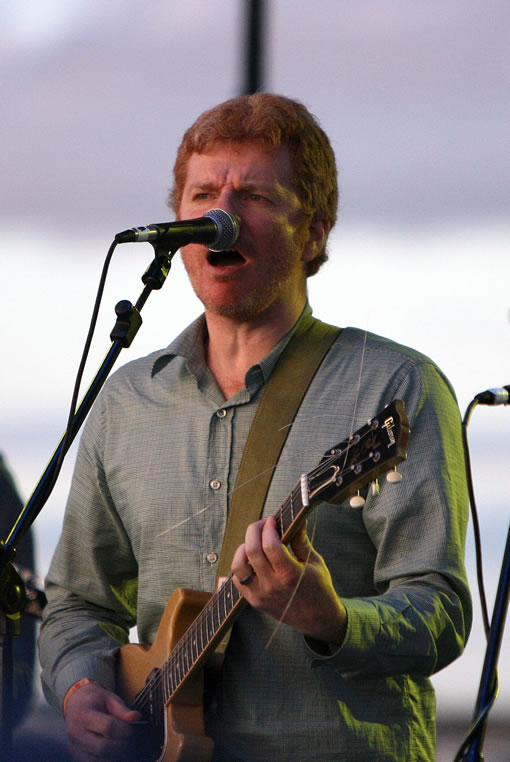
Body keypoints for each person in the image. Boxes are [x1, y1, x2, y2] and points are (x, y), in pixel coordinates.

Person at [39, 93, 472, 761]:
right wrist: (79, 691)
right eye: (204, 193)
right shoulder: (126, 400)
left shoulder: (393, 386)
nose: (222, 214)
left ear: (316, 232)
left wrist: (332, 620)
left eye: (255, 196)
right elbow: (76, 604)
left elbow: (441, 612)